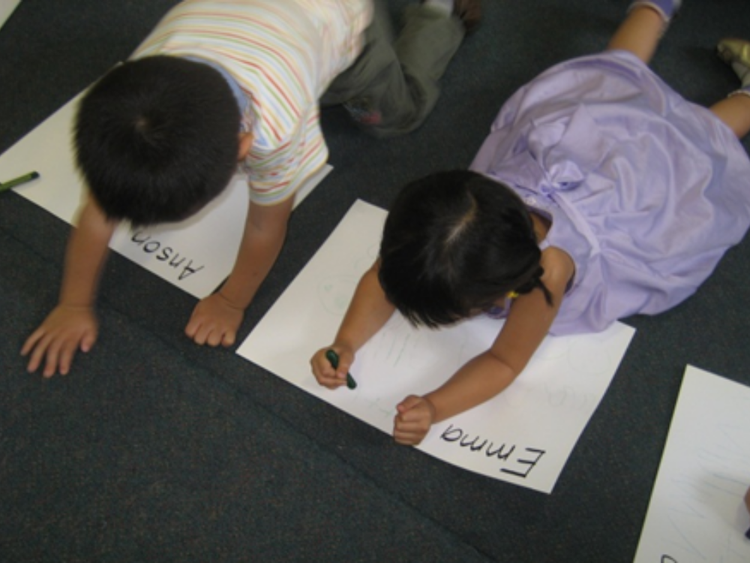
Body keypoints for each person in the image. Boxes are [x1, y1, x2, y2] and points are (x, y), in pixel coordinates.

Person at [311, 0, 750, 446]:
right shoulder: (462, 219)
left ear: (499, 293)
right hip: (581, 133)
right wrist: (346, 342)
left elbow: (505, 361)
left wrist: (435, 405)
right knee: (615, 75)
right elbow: (385, 276)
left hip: (638, 193)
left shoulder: (549, 270)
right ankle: (654, 9)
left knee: (699, 144)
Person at [20, 0, 482, 377]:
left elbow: (266, 225)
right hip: (255, 24)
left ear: (244, 147)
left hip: (333, 17)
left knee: (395, 114)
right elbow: (99, 208)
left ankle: (440, 15)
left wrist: (229, 301)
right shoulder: (135, 97)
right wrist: (73, 303)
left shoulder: (275, 131)